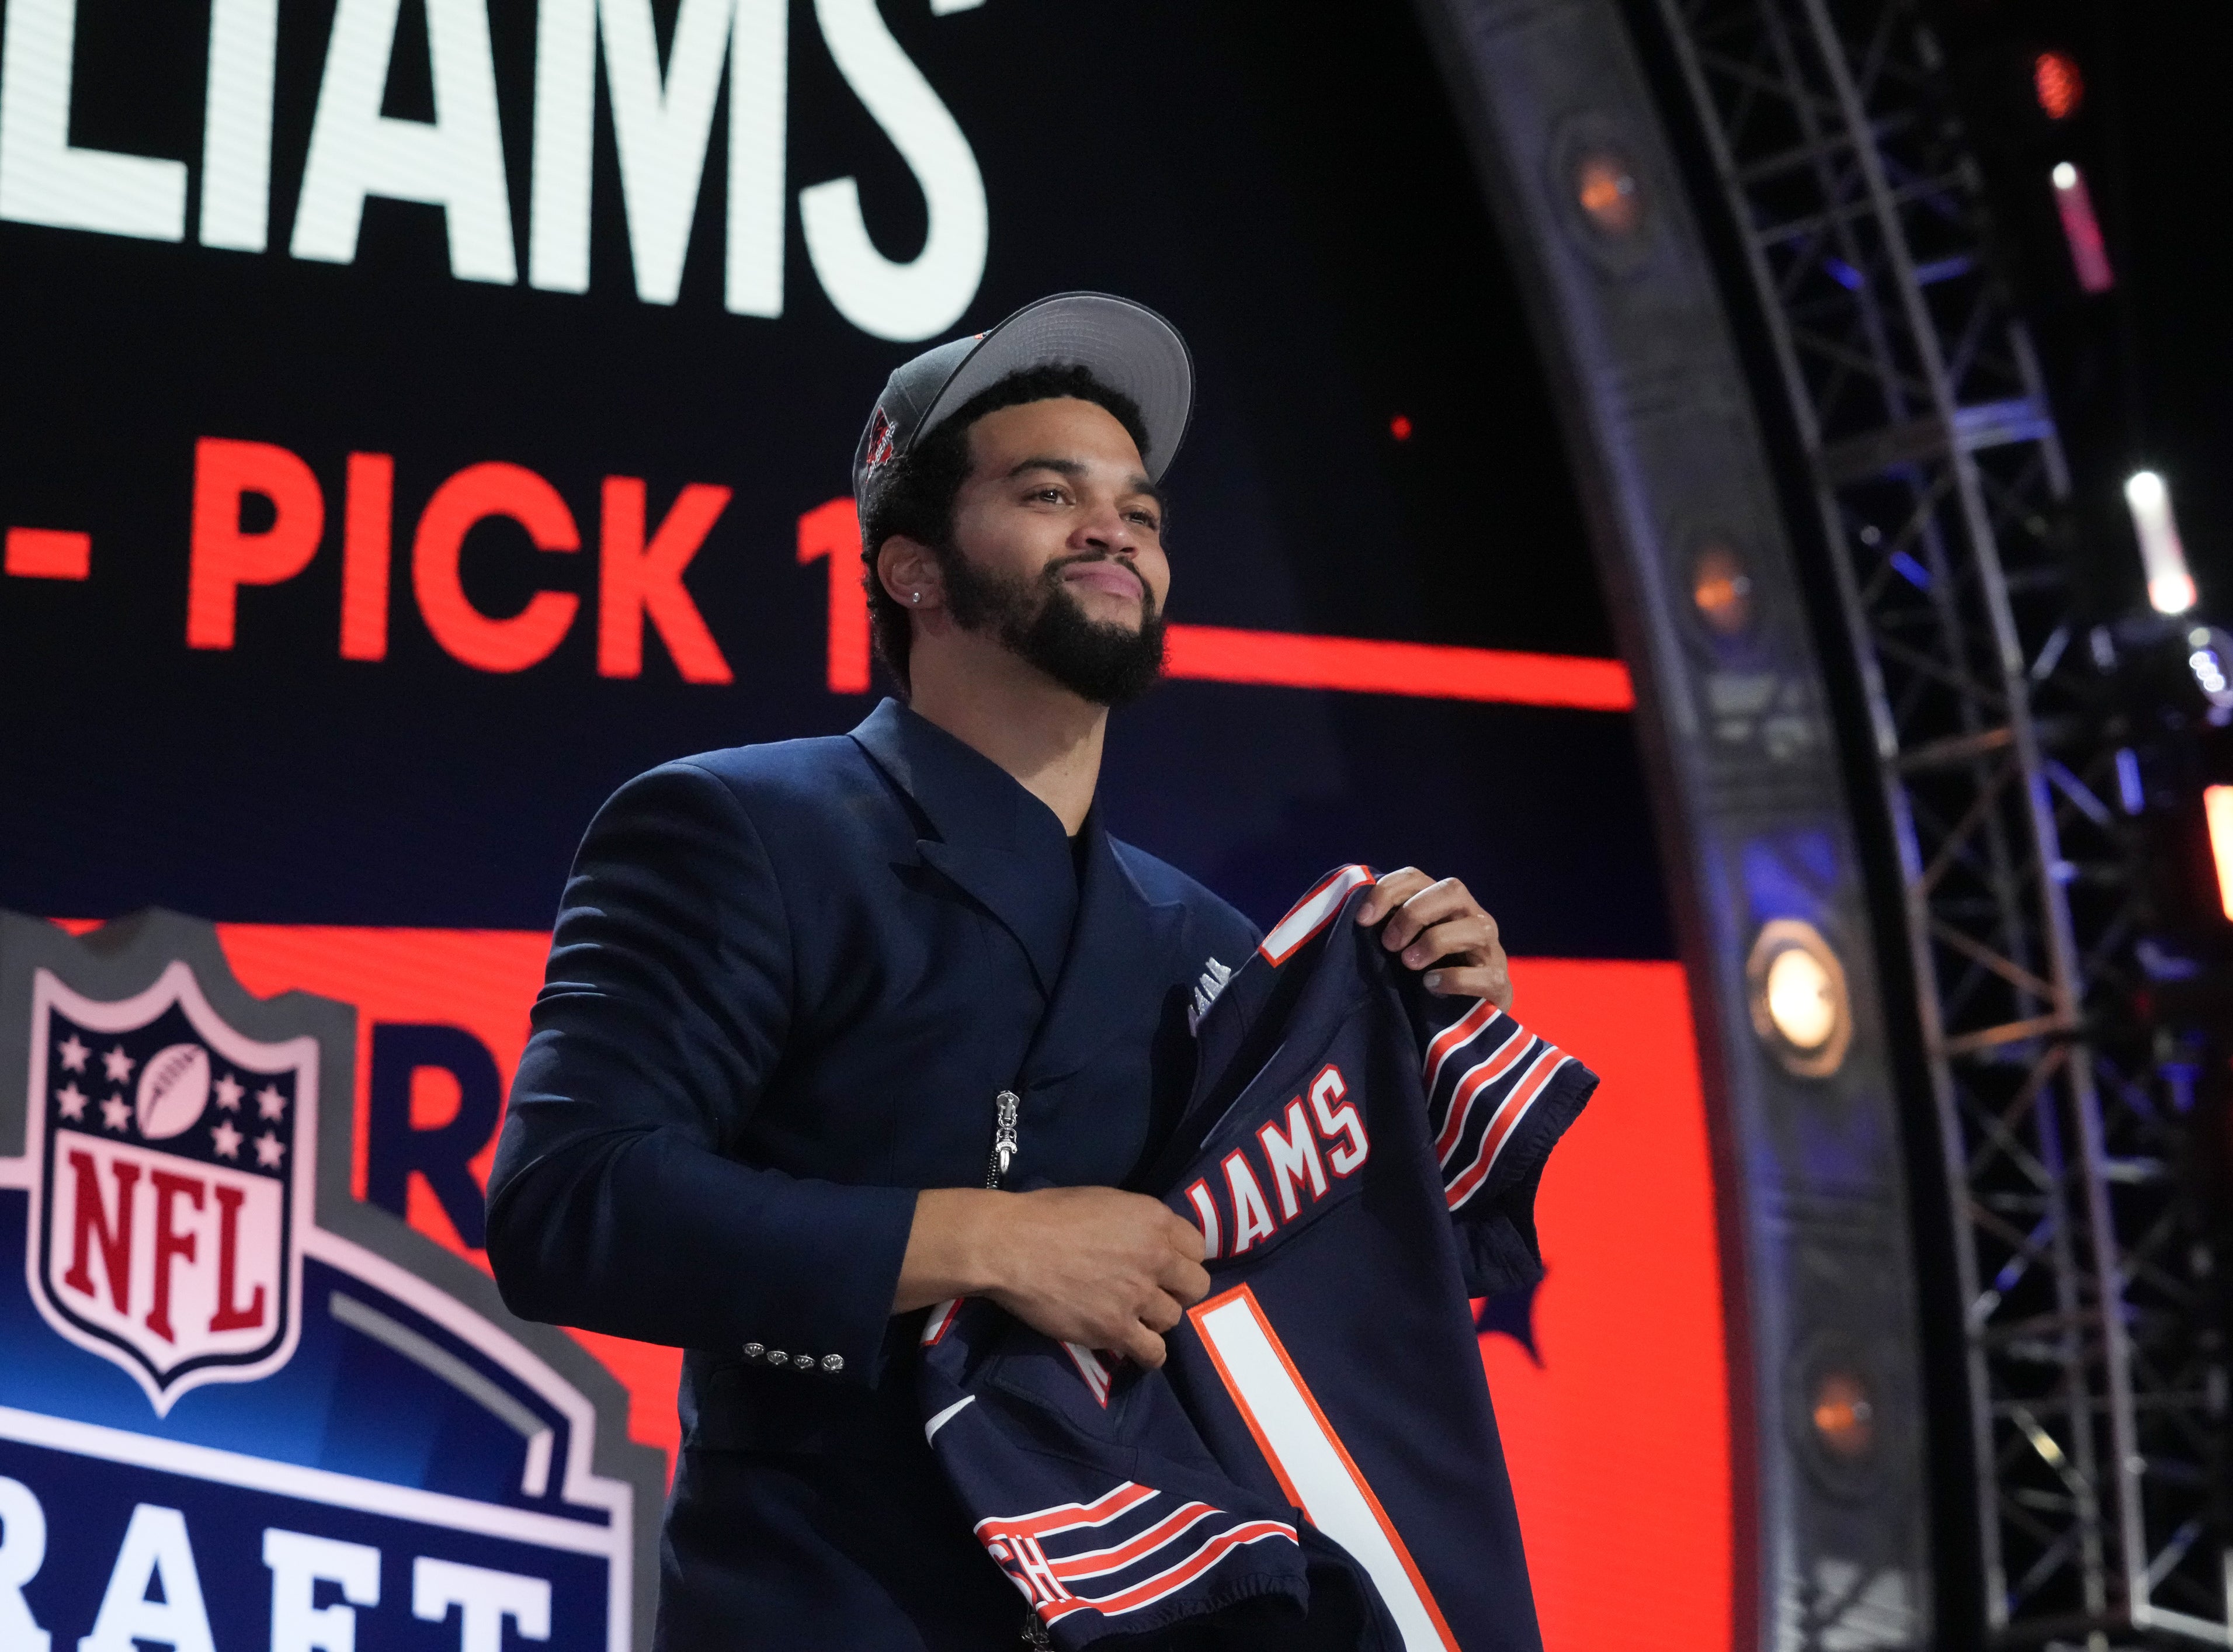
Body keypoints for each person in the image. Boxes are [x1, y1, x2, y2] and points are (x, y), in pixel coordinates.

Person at [484, 291, 1516, 1649]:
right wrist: (992, 1239)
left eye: (1140, 513)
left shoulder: (1209, 944)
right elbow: (567, 1205)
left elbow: (1336, 1316)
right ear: (910, 568)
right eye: (1048, 492)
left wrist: (1432, 1049)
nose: (1116, 530)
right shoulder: (739, 827)